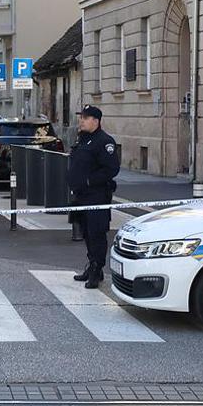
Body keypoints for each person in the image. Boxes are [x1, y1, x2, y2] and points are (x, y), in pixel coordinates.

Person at [68, 104, 120, 289]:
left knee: (97, 233)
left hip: (96, 195)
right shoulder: (83, 139)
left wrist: (89, 181)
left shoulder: (104, 142)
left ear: (95, 121)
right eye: (81, 117)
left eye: (85, 118)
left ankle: (97, 270)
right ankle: (91, 265)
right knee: (86, 232)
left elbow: (111, 169)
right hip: (81, 195)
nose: (81, 121)